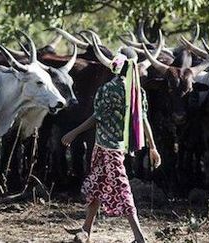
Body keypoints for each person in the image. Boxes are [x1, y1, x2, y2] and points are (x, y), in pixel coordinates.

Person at [61, 49, 161, 243]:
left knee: (122, 189)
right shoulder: (137, 92)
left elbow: (96, 118)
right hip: (118, 148)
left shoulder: (107, 89)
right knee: (98, 185)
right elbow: (143, 120)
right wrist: (153, 147)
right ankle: (86, 231)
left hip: (105, 147)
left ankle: (139, 238)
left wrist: (74, 132)